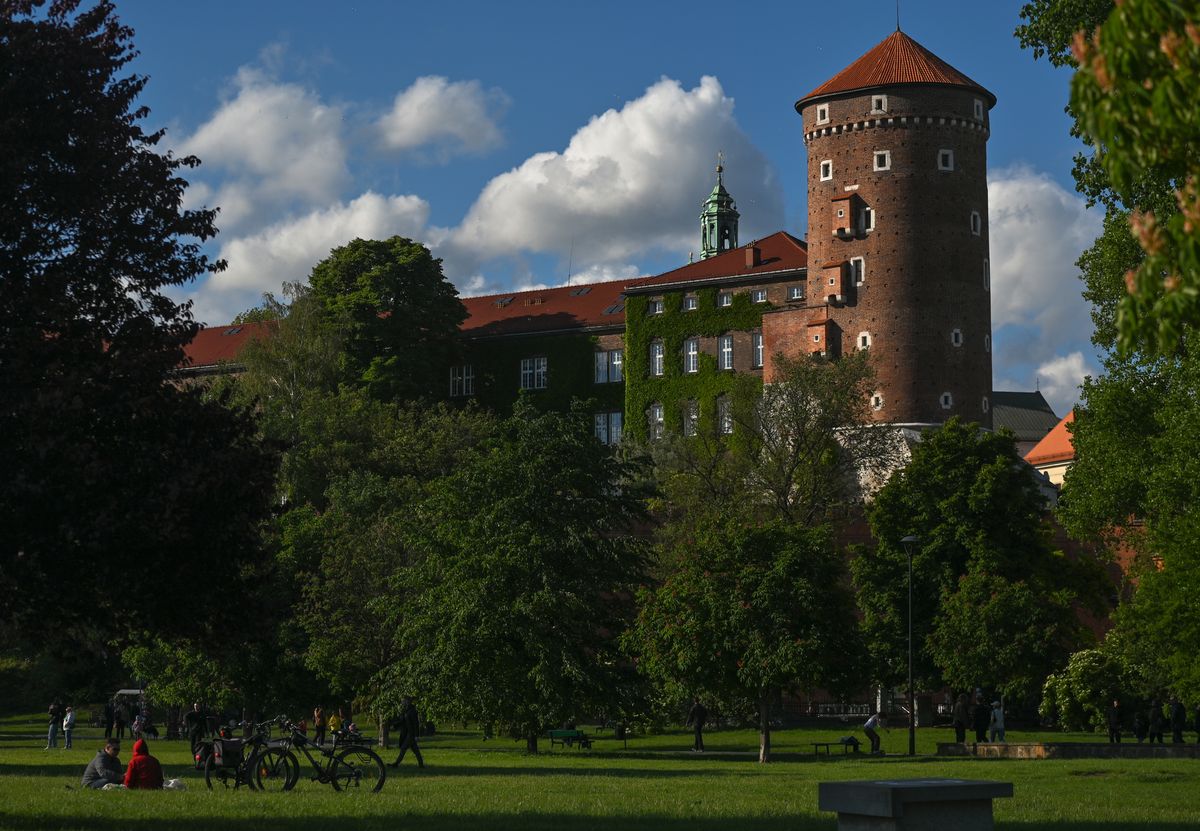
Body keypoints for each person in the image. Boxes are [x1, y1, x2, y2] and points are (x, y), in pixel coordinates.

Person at [388, 696, 425, 768]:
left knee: (403, 748)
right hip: (408, 733)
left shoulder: (412, 710)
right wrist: (394, 726)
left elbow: (416, 723)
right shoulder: (406, 710)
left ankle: (396, 764)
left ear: (407, 701)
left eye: (403, 701)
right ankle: (421, 765)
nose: (402, 702)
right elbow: (402, 721)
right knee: (415, 750)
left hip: (411, 734)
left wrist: (417, 735)